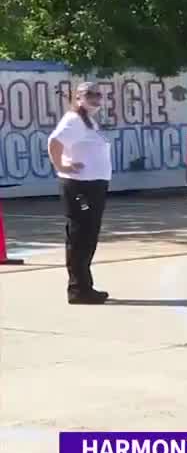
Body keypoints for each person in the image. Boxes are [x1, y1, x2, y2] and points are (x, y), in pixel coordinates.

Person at [47, 82, 113, 304]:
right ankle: (78, 290)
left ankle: (85, 287)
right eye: (89, 95)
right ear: (78, 98)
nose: (95, 98)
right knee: (79, 237)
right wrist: (61, 166)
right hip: (80, 187)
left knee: (87, 237)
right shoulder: (74, 120)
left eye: (97, 94)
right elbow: (54, 142)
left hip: (92, 186)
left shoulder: (88, 121)